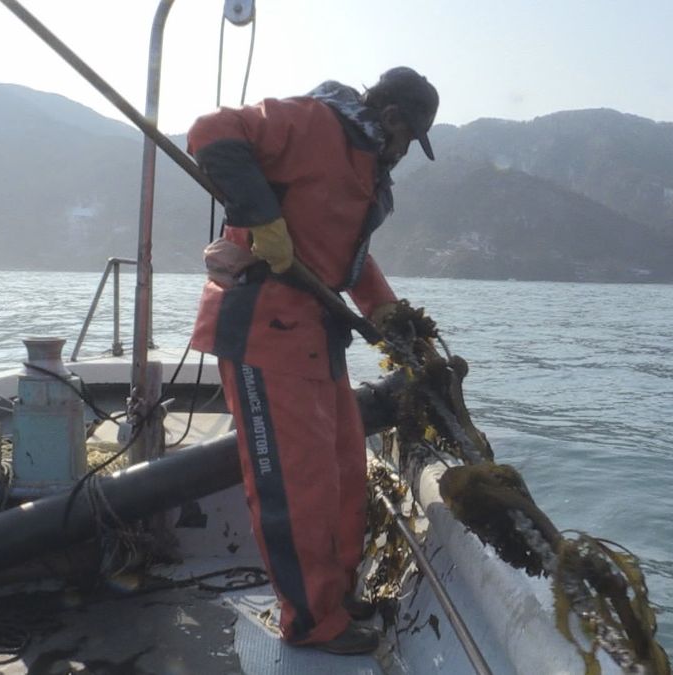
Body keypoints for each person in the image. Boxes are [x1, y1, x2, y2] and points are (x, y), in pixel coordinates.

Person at [185, 67, 438, 655]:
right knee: (297, 487)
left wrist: (393, 324)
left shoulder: (367, 170)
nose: (403, 153)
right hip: (263, 333)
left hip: (317, 338)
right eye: (408, 139)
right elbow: (211, 133)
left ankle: (337, 596)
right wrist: (262, 219)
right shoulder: (310, 121)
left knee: (347, 475)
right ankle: (310, 620)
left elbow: (349, 264)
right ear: (394, 119)